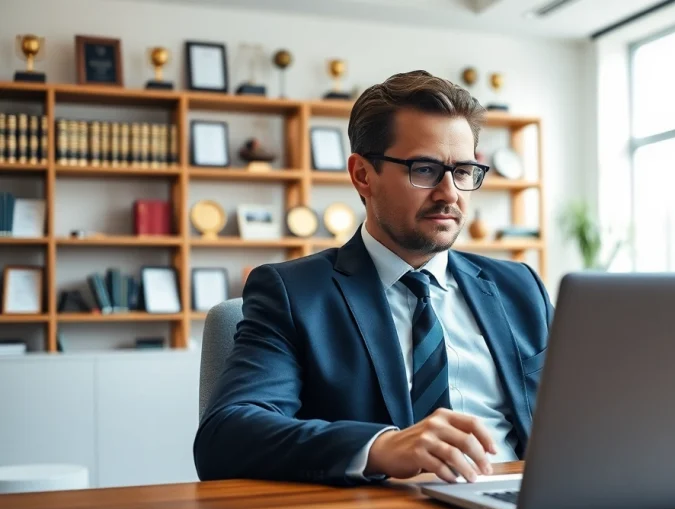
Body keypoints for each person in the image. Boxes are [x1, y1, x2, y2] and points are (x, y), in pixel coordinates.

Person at [193, 70, 553, 486]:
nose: (450, 193)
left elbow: (584, 410)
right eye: (425, 169)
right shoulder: (293, 293)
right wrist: (380, 448)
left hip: (519, 507)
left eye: (464, 171)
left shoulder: (520, 287)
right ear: (363, 175)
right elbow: (227, 435)